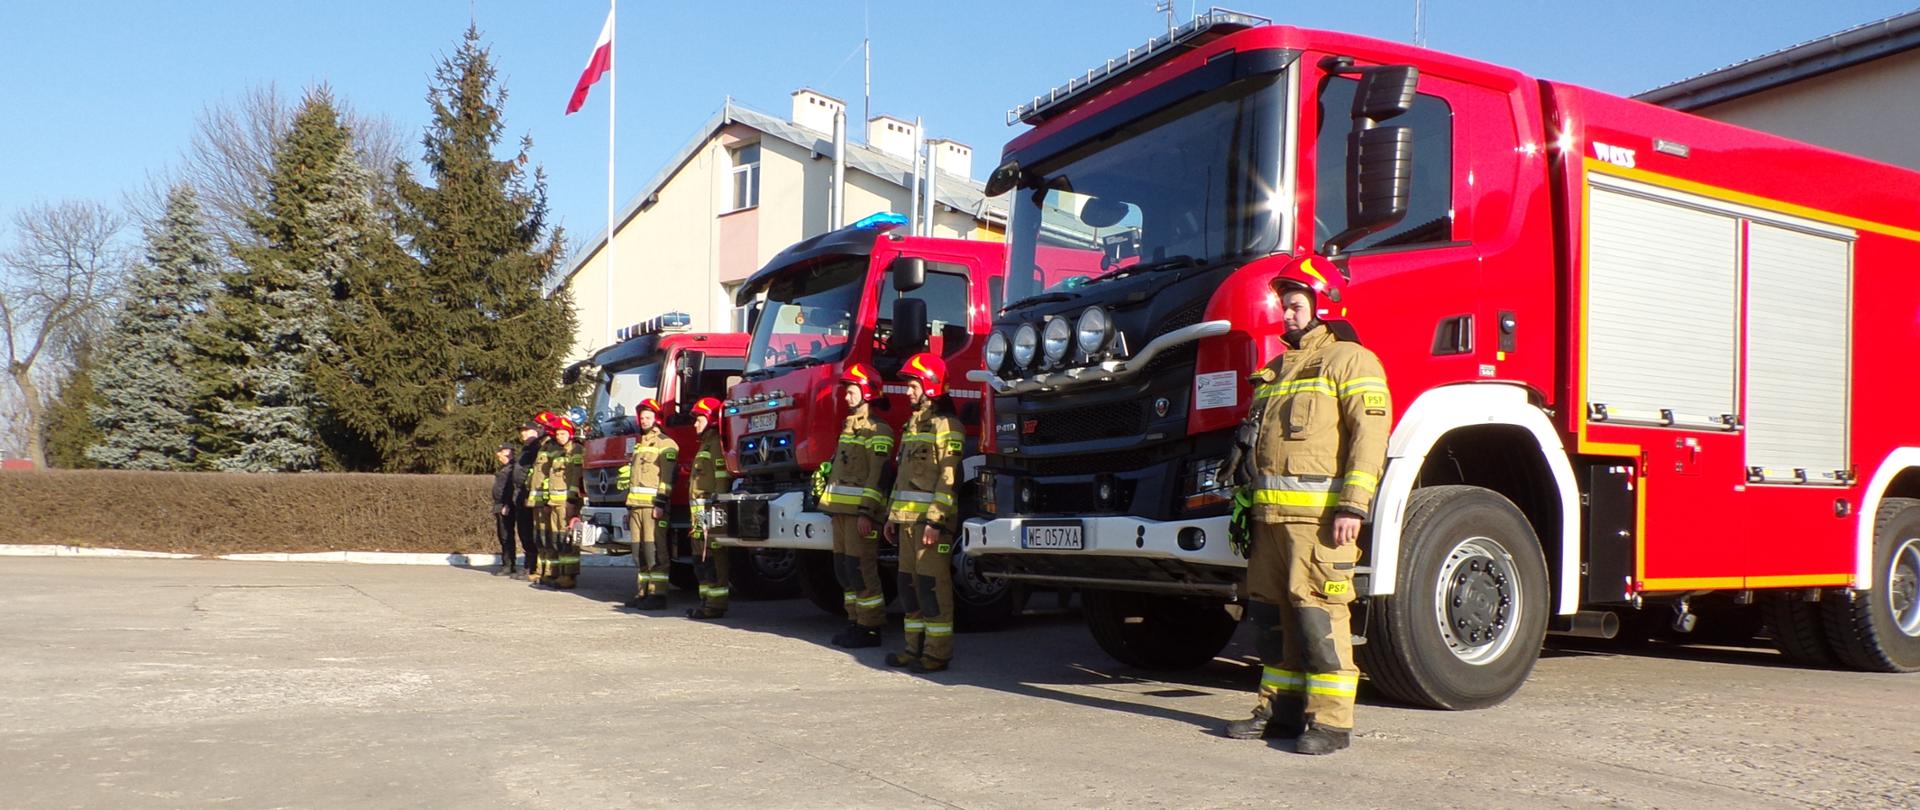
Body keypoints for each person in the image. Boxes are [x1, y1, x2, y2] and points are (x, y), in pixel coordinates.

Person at [1222, 257, 1390, 755]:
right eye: (1285, 306)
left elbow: (1369, 436)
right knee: (1272, 624)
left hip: (1318, 523)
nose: (1286, 315)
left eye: (1295, 305)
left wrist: (1352, 507)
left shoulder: (1350, 361)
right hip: (1270, 522)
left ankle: (1332, 724)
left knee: (1320, 619)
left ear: (1324, 305)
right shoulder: (1274, 369)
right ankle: (1279, 711)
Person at [883, 353, 965, 672]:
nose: (907, 392)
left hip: (931, 525)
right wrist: (892, 515)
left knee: (932, 587)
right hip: (905, 523)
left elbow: (949, 478)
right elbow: (903, 475)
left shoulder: (947, 426)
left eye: (912, 385)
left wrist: (935, 520)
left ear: (930, 385)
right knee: (909, 588)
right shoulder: (911, 425)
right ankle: (913, 650)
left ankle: (936, 654)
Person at [818, 363, 894, 648]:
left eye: (851, 392)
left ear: (866, 392)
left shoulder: (879, 430)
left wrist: (867, 513)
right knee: (844, 569)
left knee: (862, 569)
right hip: (839, 514)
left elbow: (878, 476)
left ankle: (870, 627)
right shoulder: (848, 428)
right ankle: (855, 622)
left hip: (860, 516)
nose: (846, 397)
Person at [623, 398, 677, 610]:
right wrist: (629, 507)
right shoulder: (639, 444)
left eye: (648, 417)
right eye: (642, 417)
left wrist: (661, 503)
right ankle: (642, 592)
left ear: (656, 419)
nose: (644, 421)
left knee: (656, 552)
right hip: (635, 506)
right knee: (639, 553)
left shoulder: (666, 444)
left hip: (653, 507)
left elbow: (668, 478)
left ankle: (658, 594)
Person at [685, 397, 732, 619]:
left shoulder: (715, 445)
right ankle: (705, 602)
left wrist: (716, 510)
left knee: (713, 558)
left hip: (710, 512)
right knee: (701, 560)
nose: (695, 424)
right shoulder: (704, 444)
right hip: (699, 515)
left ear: (711, 419)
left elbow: (721, 479)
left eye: (699, 419)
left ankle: (715, 604)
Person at [526, 411, 581, 589]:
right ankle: (555, 572)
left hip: (566, 502)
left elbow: (575, 476)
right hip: (553, 502)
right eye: (557, 433)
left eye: (563, 433)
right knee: (555, 538)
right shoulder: (555, 450)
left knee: (567, 539)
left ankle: (568, 575)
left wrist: (571, 500)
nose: (559, 436)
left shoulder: (576, 450)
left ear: (570, 433)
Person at [510, 421, 542, 580]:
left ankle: (532, 567)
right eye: (521, 431)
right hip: (521, 494)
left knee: (530, 531)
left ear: (536, 431)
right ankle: (529, 565)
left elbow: (535, 473)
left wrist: (530, 493)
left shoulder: (537, 447)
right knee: (523, 531)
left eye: (527, 430)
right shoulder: (526, 449)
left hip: (529, 494)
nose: (523, 433)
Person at [491, 443, 519, 577]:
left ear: (508, 453)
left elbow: (510, 488)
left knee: (506, 535)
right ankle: (507, 563)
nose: (498, 455)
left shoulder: (512, 469)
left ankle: (509, 565)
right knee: (502, 536)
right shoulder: (505, 468)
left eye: (501, 453)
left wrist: (507, 504)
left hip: (505, 506)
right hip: (500, 504)